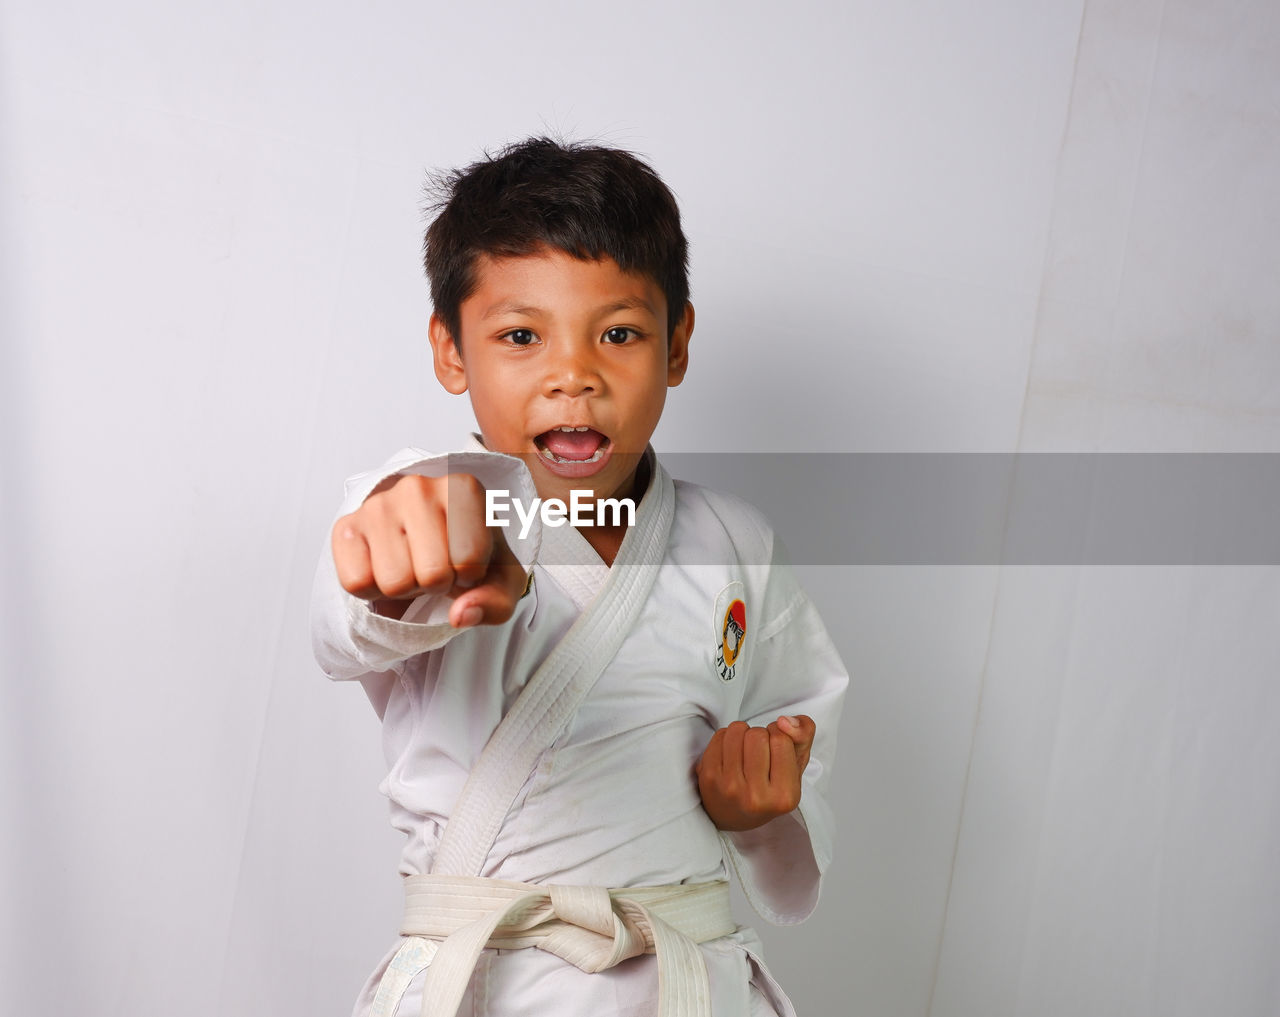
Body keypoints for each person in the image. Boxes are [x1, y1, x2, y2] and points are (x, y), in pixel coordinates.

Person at [311, 137, 848, 1017]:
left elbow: (799, 728)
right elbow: (350, 610)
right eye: (520, 335)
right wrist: (392, 560)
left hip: (682, 981)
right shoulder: (439, 500)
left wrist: (759, 799)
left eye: (620, 333)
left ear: (677, 344)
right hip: (485, 982)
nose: (574, 375)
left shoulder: (734, 541)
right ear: (451, 349)